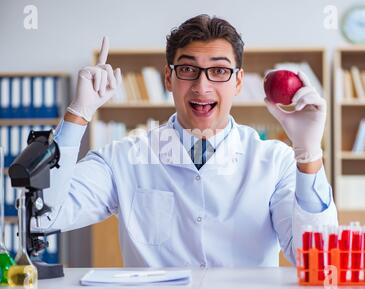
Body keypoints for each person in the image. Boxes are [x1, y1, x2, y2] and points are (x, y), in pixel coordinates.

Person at [39, 14, 337, 268]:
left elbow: (317, 261)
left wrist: (309, 155)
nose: (201, 85)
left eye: (219, 70)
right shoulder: (123, 156)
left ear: (238, 81)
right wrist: (77, 115)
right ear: (168, 78)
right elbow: (45, 217)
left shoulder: (276, 161)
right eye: (187, 69)